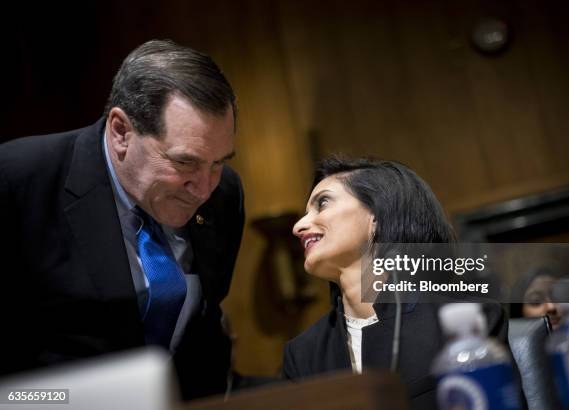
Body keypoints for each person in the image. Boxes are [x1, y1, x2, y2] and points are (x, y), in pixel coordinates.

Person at [0, 40, 244, 400]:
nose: (204, 188)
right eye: (184, 162)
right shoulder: (17, 180)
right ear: (121, 132)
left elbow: (203, 331)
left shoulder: (226, 195)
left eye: (218, 162)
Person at [283, 157, 512, 409]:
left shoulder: (468, 324)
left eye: (323, 203)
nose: (298, 226)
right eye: (305, 213)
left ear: (377, 217)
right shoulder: (302, 354)